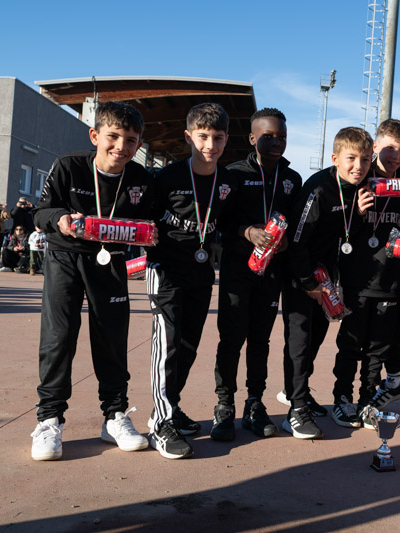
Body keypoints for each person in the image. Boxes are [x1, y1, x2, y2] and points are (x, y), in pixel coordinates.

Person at [29, 101, 154, 461]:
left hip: (110, 261)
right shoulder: (69, 166)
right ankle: (49, 419)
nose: (121, 147)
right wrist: (60, 218)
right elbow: (40, 211)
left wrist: (152, 234)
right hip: (65, 257)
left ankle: (114, 416)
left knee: (112, 339)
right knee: (58, 337)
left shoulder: (141, 180)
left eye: (131, 140)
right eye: (113, 137)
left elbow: (149, 222)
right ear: (95, 135)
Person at [146, 103, 238, 459]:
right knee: (168, 345)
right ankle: (160, 421)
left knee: (188, 345)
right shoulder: (167, 178)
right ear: (188, 137)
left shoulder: (227, 181)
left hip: (201, 272)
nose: (210, 145)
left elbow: (230, 225)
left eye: (217, 137)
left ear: (226, 139)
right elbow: (143, 217)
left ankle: (171, 405)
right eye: (203, 137)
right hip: (166, 270)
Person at [209, 108, 301, 441]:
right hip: (238, 268)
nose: (276, 142)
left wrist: (286, 241)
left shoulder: (292, 179)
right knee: (231, 337)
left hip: (272, 271)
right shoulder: (233, 174)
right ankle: (224, 404)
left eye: (282, 137)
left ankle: (254, 402)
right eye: (268, 136)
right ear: (252, 138)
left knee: (261, 339)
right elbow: (219, 220)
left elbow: (296, 223)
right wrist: (247, 232)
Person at [281, 127, 374, 439]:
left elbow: (346, 233)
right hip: (302, 276)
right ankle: (295, 411)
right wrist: (308, 283)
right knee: (299, 341)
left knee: (316, 339)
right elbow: (296, 241)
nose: (358, 166)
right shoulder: (318, 189)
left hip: (326, 279)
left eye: (365, 159)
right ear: (335, 158)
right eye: (351, 158)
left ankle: (299, 394)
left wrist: (358, 215)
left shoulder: (359, 189)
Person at [329, 118, 400, 427]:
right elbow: (337, 225)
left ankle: (367, 400)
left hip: (391, 280)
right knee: (350, 344)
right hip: (357, 278)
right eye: (390, 148)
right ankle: (342, 398)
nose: (395, 157)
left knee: (378, 348)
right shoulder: (359, 176)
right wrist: (357, 213)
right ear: (376, 146)